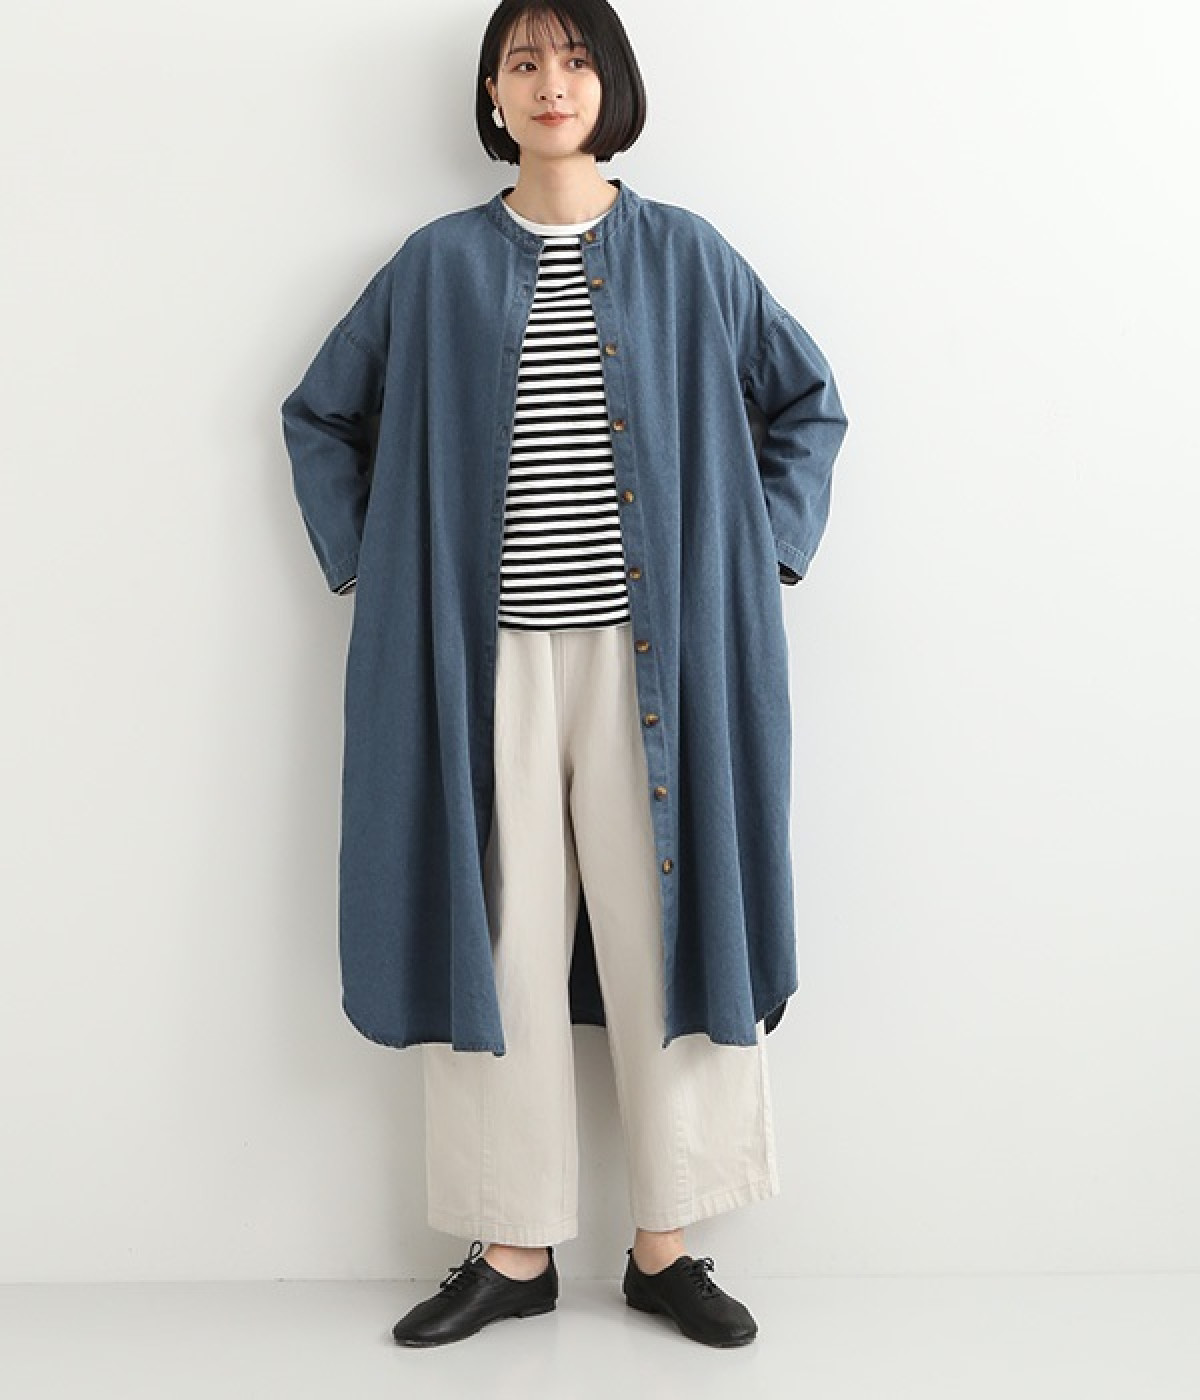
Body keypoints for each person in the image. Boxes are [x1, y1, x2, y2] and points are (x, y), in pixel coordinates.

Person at [280, 0, 849, 1350]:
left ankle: (668, 1245)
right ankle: (513, 1246)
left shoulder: (689, 256)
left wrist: (756, 554)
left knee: (671, 932)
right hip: (487, 666)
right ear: (493, 93)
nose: (553, 83)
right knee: (504, 939)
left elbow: (806, 403)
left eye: (577, 59)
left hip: (659, 665)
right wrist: (379, 566)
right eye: (526, 61)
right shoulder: (435, 267)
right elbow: (320, 415)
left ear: (613, 86)